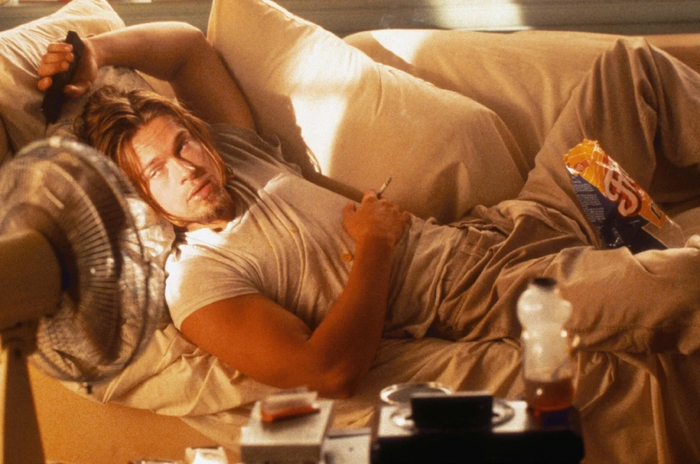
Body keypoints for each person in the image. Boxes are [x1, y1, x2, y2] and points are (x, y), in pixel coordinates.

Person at [37, 21, 700, 406]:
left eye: (183, 144)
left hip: (521, 218)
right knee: (686, 281)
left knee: (631, 69)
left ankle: (634, 233)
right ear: (140, 201)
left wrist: (100, 54)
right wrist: (375, 245)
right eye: (157, 172)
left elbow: (186, 47)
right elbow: (327, 371)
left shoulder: (237, 156)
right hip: (503, 291)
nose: (186, 169)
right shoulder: (199, 280)